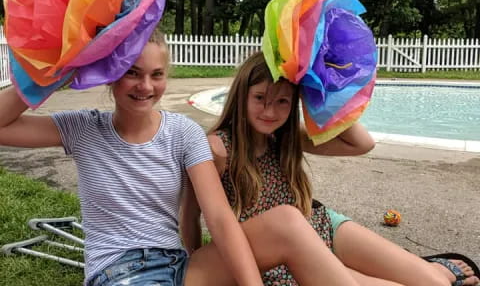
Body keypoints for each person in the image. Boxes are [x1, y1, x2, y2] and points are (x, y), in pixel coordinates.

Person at [0, 29, 375, 286]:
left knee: (288, 223)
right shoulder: (81, 128)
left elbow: (220, 218)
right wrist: (51, 75)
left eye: (156, 74)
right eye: (132, 73)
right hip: (118, 271)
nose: (145, 86)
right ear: (112, 75)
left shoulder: (184, 133)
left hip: (182, 268)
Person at [181, 51, 480, 286]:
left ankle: (420, 269)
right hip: (277, 252)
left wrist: (317, 95)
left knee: (431, 281)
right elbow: (192, 214)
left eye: (282, 101)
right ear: (241, 96)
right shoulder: (217, 148)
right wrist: (206, 266)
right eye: (260, 98)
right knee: (428, 283)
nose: (270, 111)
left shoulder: (286, 138)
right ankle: (399, 271)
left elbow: (362, 143)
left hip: (318, 224)